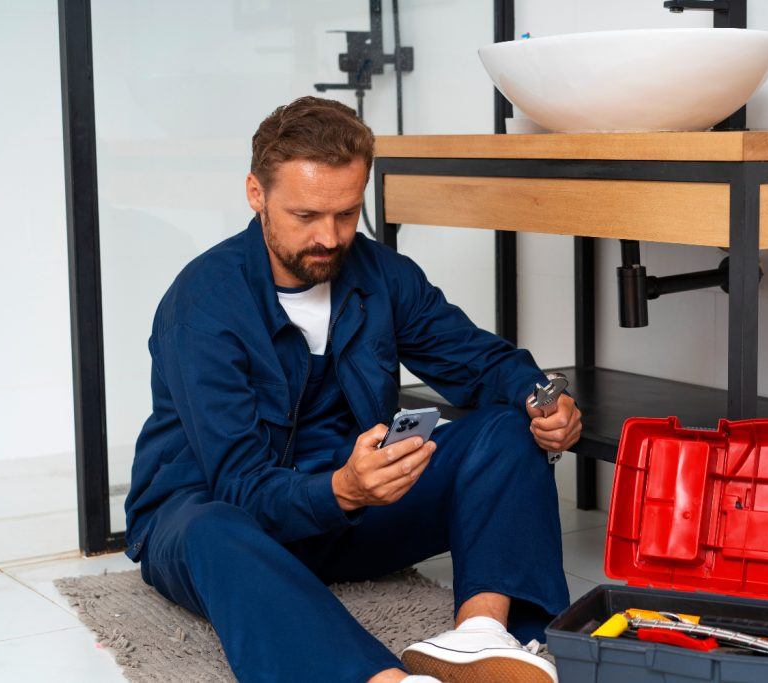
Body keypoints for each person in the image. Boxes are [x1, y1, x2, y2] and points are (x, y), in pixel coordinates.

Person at [123, 95, 582, 683]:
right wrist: (341, 488)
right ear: (256, 194)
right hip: (216, 517)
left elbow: (480, 362)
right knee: (215, 528)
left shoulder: (382, 274)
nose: (331, 237)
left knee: (509, 425)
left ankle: (483, 635)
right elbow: (238, 484)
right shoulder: (203, 305)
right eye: (307, 216)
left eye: (346, 213)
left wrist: (543, 399)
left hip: (349, 506)